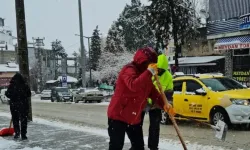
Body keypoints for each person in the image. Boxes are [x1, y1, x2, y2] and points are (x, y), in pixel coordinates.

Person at [107, 47, 172, 150]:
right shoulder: (128, 70)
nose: (152, 66)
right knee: (116, 146)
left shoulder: (146, 76)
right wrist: (148, 72)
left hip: (133, 118)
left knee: (138, 147)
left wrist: (165, 105)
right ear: (143, 61)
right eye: (150, 63)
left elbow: (154, 93)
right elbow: (133, 85)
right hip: (118, 116)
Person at [139, 54, 174, 150]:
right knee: (137, 125)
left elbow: (169, 93)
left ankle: (153, 146)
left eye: (162, 70)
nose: (159, 71)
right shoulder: (149, 71)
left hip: (156, 104)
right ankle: (137, 145)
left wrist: (169, 104)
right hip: (143, 102)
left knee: (155, 126)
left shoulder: (168, 77)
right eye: (159, 69)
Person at [5, 73, 31, 140]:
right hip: (23, 105)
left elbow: (8, 94)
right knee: (23, 120)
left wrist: (11, 94)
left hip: (14, 105)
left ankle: (17, 133)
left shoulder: (12, 86)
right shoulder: (25, 85)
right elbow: (29, 94)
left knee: (15, 119)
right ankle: (23, 135)